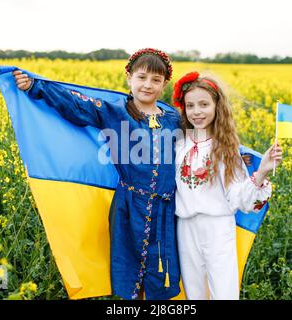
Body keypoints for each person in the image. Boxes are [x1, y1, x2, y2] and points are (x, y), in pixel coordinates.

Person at [12, 48, 181, 300]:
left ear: (165, 83)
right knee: (130, 268)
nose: (148, 85)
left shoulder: (174, 118)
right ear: (129, 78)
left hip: (166, 209)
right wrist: (35, 86)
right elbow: (75, 104)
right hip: (130, 205)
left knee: (162, 270)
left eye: (156, 80)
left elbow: (206, 139)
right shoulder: (115, 112)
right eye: (142, 77)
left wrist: (241, 158)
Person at [172, 72, 283, 300]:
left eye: (204, 104)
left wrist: (261, 171)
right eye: (190, 105)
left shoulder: (225, 148)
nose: (197, 112)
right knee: (193, 291)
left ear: (217, 106)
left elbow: (238, 197)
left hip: (217, 226)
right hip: (185, 227)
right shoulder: (179, 144)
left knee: (223, 291)